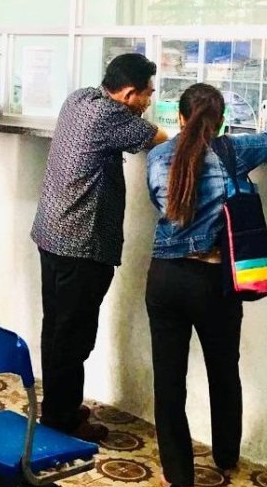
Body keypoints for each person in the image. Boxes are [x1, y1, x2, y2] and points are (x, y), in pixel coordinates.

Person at [145, 84, 267, 487]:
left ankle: (178, 476)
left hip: (164, 276)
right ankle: (226, 456)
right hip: (213, 281)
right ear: (220, 122)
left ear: (179, 118)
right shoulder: (234, 151)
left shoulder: (158, 156)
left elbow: (158, 203)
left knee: (169, 378)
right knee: (223, 369)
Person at [31, 52, 168, 442]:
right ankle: (61, 419)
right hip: (81, 243)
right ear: (127, 94)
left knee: (56, 326)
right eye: (147, 94)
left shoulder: (79, 99)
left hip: (52, 234)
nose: (149, 101)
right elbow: (160, 138)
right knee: (73, 336)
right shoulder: (112, 118)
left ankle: (59, 404)